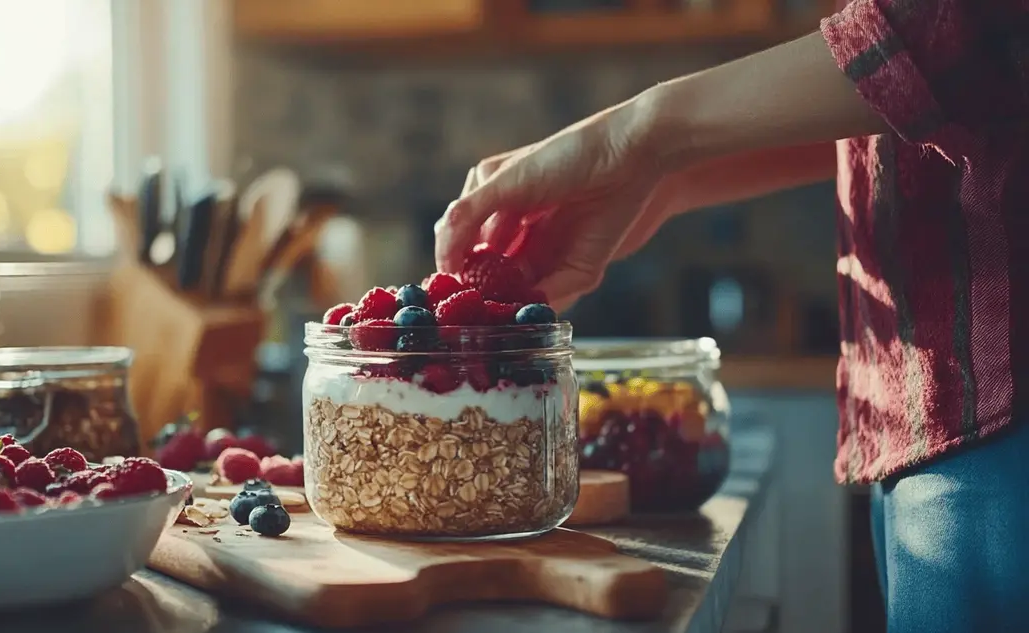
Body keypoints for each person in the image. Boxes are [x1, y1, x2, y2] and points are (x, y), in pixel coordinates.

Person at [434, 2, 1029, 632]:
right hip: (940, 402)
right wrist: (659, 178)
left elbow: (968, 28)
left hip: (1002, 394)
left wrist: (640, 133)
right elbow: (907, 99)